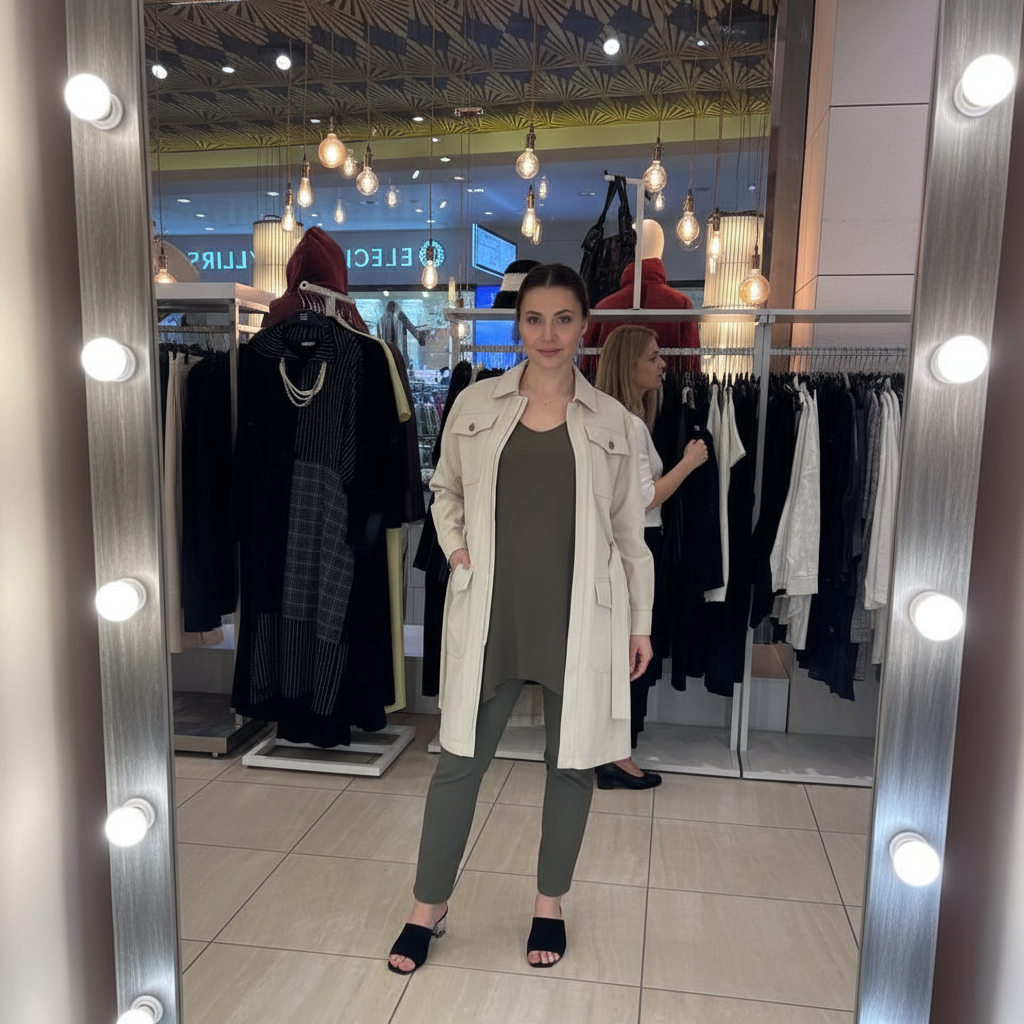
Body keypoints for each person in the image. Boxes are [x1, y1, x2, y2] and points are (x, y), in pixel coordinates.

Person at [387, 264, 655, 974]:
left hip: (581, 617)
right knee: (458, 762)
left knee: (572, 765)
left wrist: (641, 623)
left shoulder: (615, 423)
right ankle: (427, 906)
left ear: (584, 326)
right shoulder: (477, 404)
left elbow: (631, 535)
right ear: (517, 326)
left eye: (563, 318)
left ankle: (549, 903)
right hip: (492, 613)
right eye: (534, 319)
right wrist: (456, 546)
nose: (548, 334)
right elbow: (444, 490)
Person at [594, 325, 709, 788]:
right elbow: (643, 499)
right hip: (638, 545)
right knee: (634, 648)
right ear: (630, 366)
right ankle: (617, 756)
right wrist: (689, 462)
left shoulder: (608, 419)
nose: (663, 365)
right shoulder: (631, 424)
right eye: (654, 357)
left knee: (624, 648)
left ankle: (612, 750)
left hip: (617, 547)